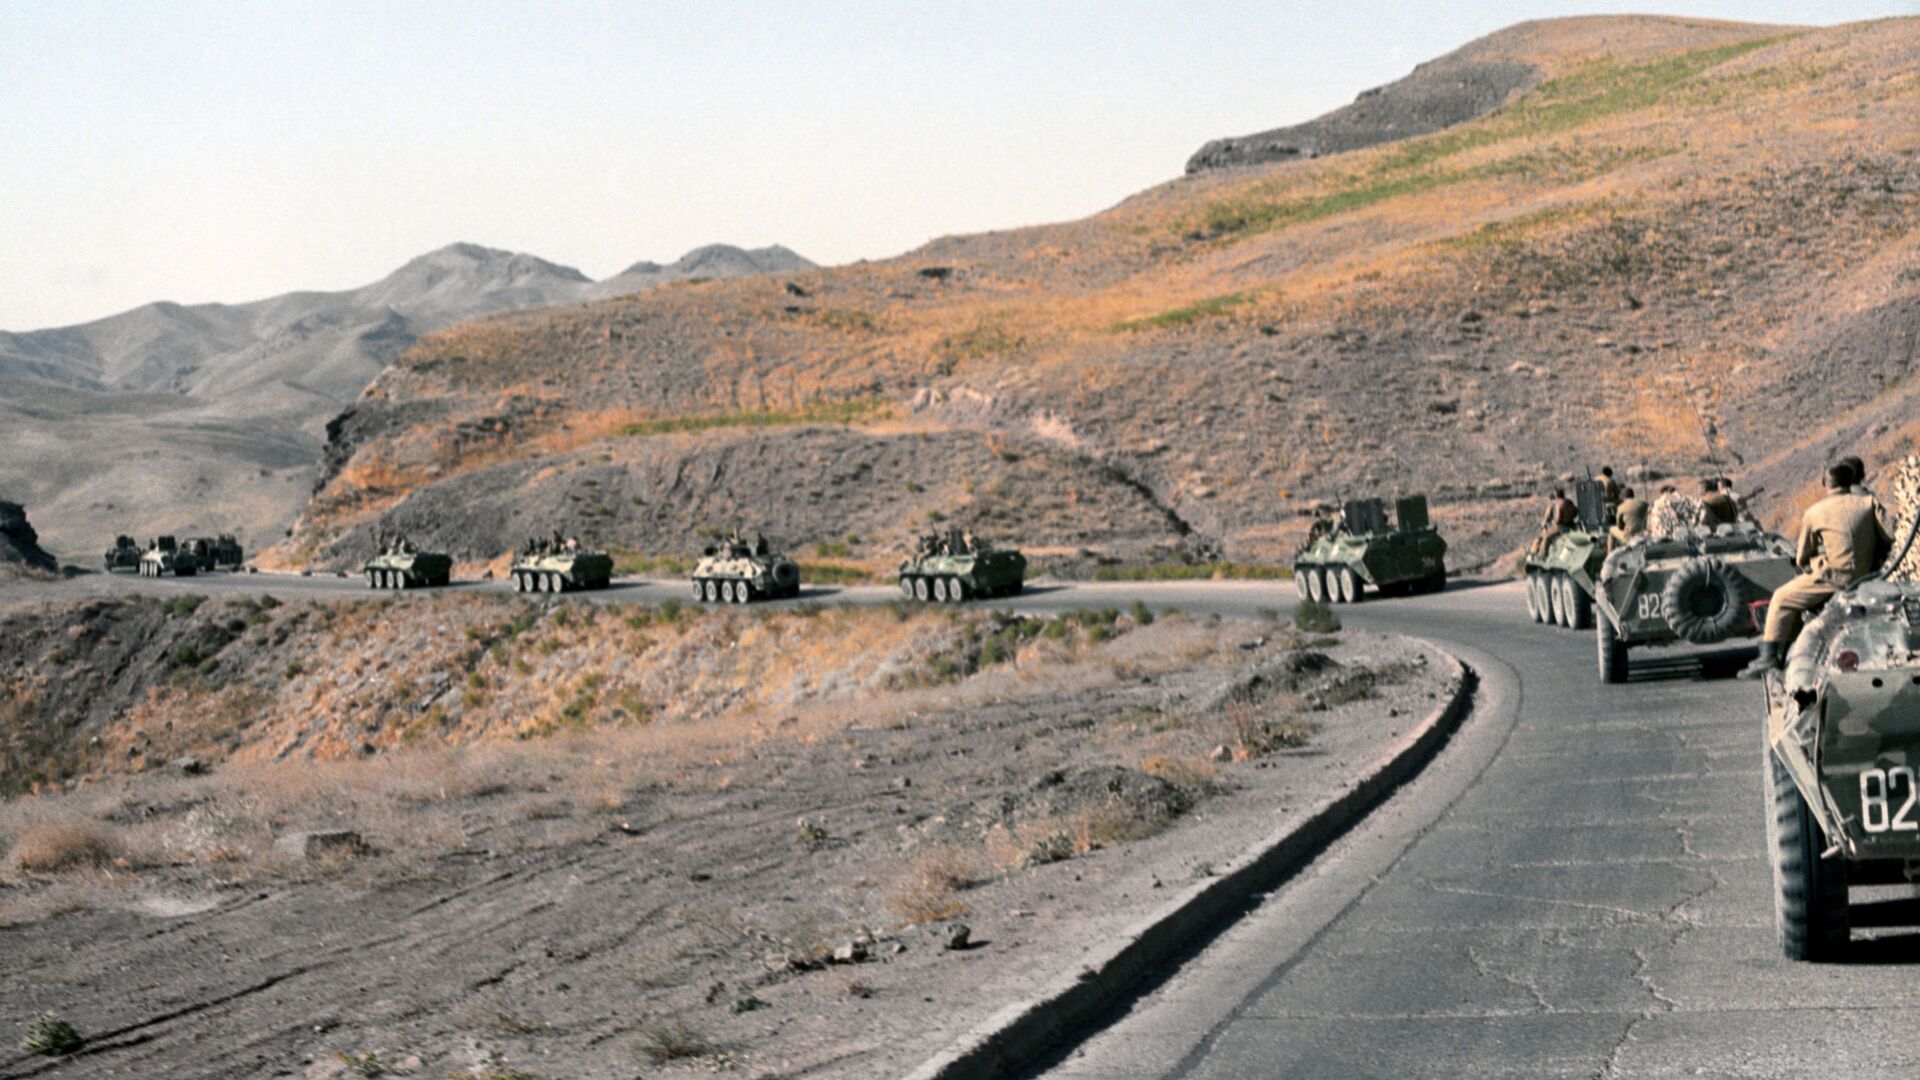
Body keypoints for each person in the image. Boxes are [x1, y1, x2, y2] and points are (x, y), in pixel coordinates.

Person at [1740, 464, 1892, 678]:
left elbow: (1803, 555)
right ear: (1850, 482)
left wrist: (1816, 561)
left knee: (1782, 598)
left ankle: (1770, 657)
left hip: (1833, 577)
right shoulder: (1869, 503)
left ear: (1824, 484)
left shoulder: (1815, 511)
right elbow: (1889, 534)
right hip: (1869, 574)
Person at [1530, 488, 1578, 558]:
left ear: (1556, 496)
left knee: (1546, 538)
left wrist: (1554, 522)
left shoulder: (1558, 504)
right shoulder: (1569, 502)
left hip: (1561, 527)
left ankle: (1542, 556)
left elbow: (1558, 519)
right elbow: (1576, 512)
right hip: (1571, 525)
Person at [1609, 486, 1648, 550]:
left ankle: (1609, 554)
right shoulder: (1643, 504)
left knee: (1611, 530)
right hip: (1643, 533)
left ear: (1624, 497)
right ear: (1633, 495)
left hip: (1629, 536)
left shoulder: (1621, 507)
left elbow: (1620, 526)